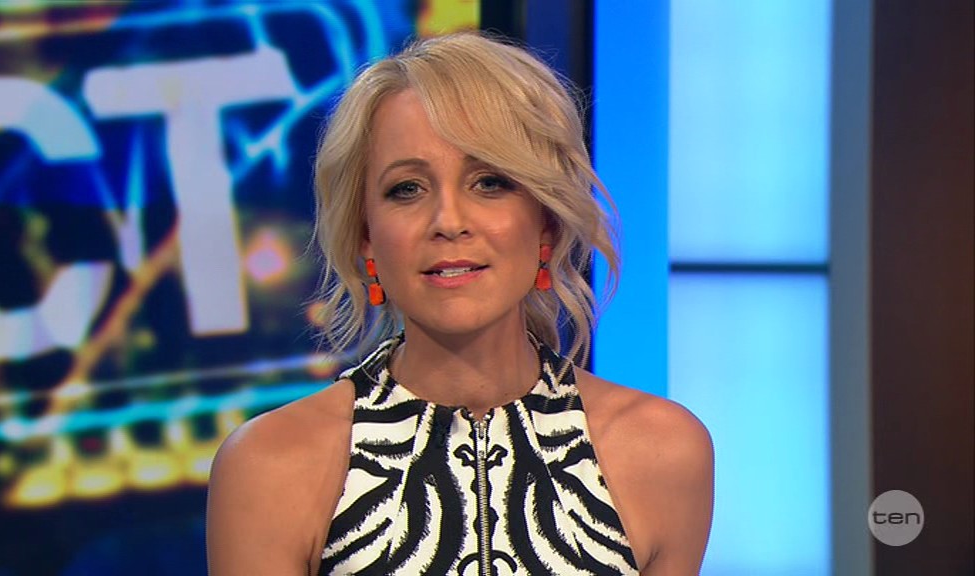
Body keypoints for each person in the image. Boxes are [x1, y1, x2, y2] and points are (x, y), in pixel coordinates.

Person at [207, 32, 713, 576]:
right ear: (366, 237)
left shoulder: (661, 451)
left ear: (545, 224)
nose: (448, 222)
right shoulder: (271, 466)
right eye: (407, 188)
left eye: (489, 182)